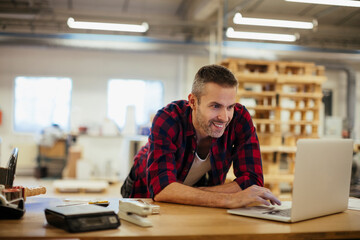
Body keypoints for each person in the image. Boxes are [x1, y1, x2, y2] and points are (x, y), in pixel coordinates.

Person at [121, 64, 281, 208]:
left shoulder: (239, 119)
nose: (224, 117)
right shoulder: (168, 119)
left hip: (195, 184)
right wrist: (229, 199)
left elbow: (252, 180)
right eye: (215, 106)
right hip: (142, 189)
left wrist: (190, 192)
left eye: (230, 106)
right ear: (192, 102)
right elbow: (162, 189)